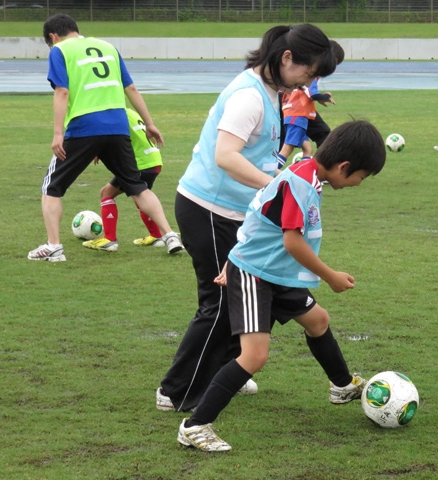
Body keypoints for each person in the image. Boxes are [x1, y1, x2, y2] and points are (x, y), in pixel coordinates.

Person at [156, 24, 339, 413]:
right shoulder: (249, 96)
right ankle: (176, 391)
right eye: (309, 73)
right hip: (208, 208)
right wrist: (277, 185)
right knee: (219, 302)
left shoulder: (275, 91)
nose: (309, 81)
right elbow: (226, 155)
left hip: (240, 213)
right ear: (287, 59)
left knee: (246, 296)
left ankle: (227, 369)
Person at [177, 120, 386, 452]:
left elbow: (261, 215)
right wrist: (330, 276)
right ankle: (195, 426)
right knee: (254, 356)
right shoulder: (301, 183)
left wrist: (234, 252)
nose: (360, 183)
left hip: (276, 274)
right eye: (362, 176)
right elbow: (292, 242)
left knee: (318, 321)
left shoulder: (306, 171)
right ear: (344, 167)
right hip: (256, 275)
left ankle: (342, 385)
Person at [28, 13, 182, 262]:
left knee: (52, 188)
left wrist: (58, 133)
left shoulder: (60, 51)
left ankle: (54, 247)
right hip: (119, 125)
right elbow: (130, 87)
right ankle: (170, 235)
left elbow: (63, 90)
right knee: (137, 187)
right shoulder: (108, 47)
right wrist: (150, 123)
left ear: (52, 37)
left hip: (84, 125)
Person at [83, 108, 174, 252]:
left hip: (139, 163)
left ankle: (110, 240)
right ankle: (156, 236)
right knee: (140, 197)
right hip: (153, 160)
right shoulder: (129, 111)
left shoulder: (115, 114)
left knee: (106, 193)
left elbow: (115, 138)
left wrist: (98, 149)